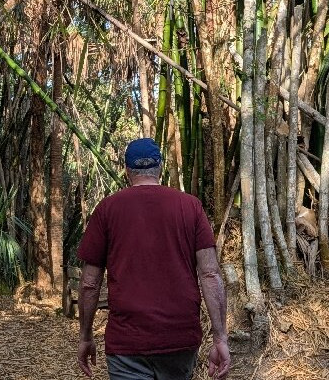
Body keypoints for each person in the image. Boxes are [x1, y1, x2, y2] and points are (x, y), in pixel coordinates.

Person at [75, 138, 231, 380]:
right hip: (179, 339)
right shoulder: (190, 207)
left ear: (127, 171)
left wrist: (85, 336)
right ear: (160, 167)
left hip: (127, 343)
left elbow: (89, 283)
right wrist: (220, 337)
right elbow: (210, 274)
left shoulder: (107, 209)